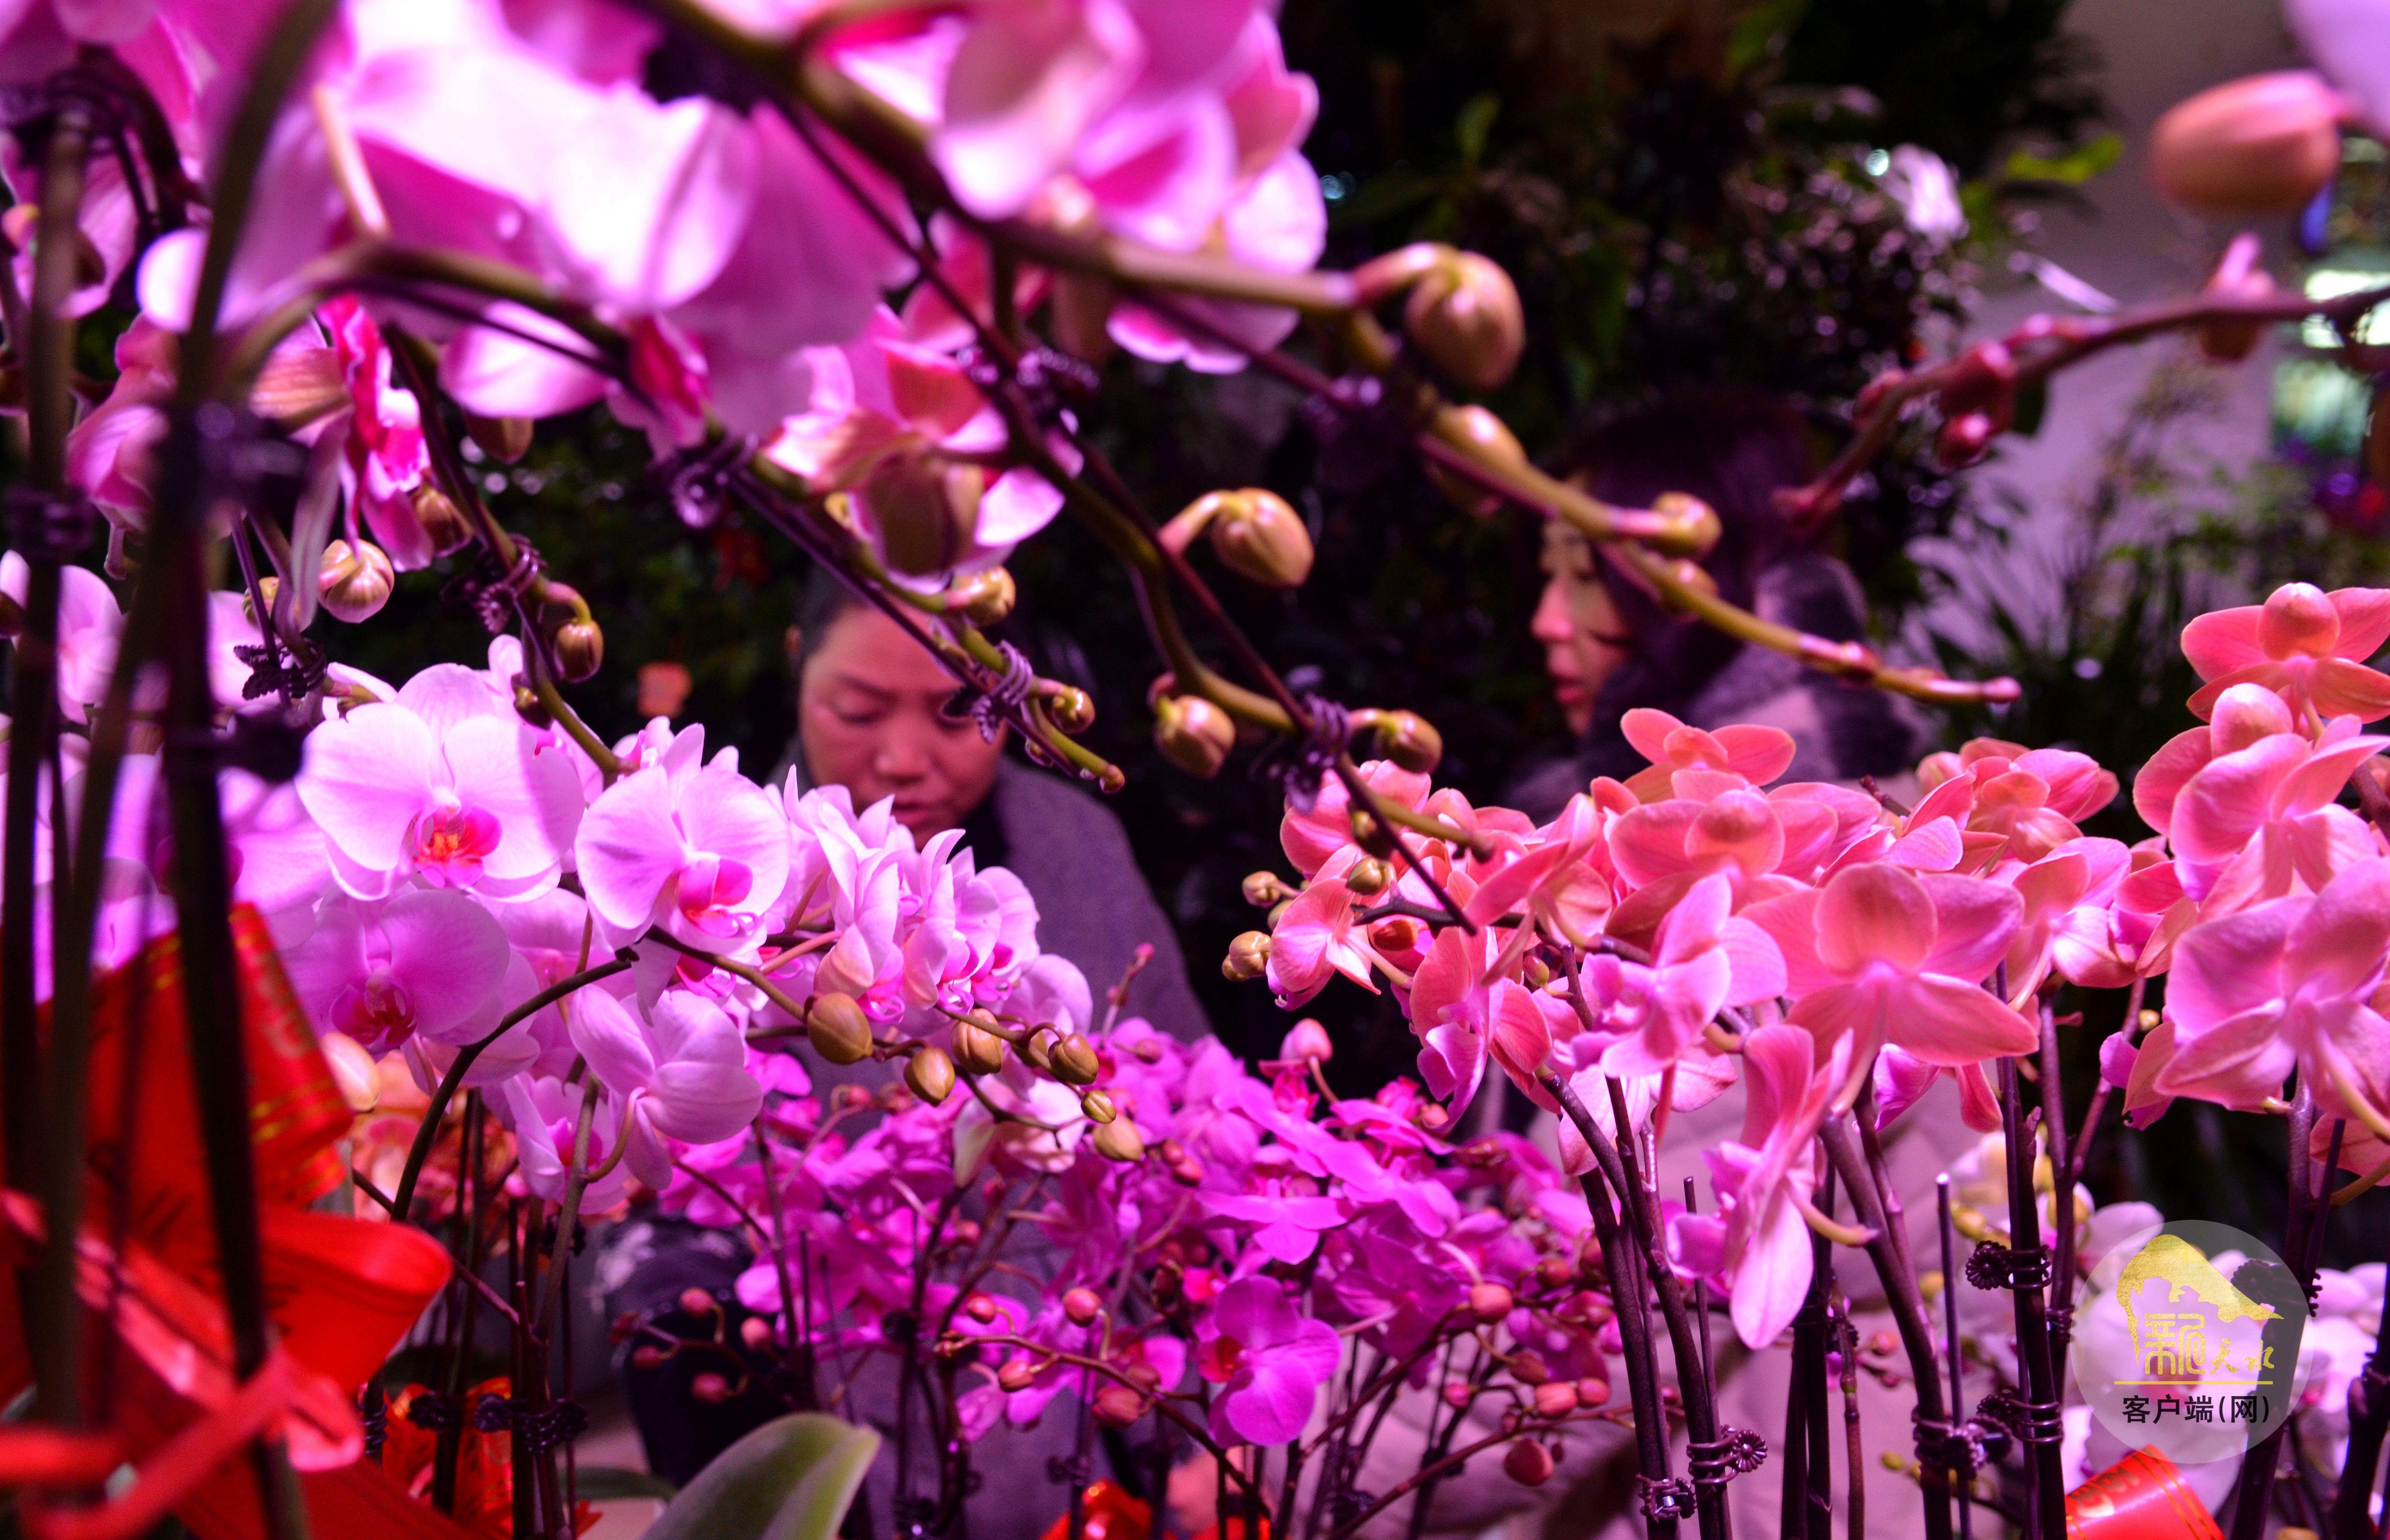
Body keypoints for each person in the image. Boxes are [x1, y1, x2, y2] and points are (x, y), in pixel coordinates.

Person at [599, 572, 1206, 1538]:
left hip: (1088, 1405)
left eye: (957, 711)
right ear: (798, 668)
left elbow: (1181, 1105)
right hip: (826, 1411)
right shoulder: (696, 883)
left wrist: (1197, 1424)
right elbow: (648, 1210)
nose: (902, 758)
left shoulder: (1076, 844)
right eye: (858, 709)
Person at [1512, 387, 1925, 820]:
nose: (1546, 623)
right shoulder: (1569, 804)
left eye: (1585, 574)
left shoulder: (1862, 832)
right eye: (1548, 574)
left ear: (1710, 583)